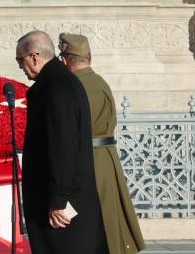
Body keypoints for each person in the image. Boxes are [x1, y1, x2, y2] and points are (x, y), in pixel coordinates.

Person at [16, 30, 106, 253]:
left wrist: (58, 200)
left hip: (63, 204)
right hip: (67, 196)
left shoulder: (55, 88)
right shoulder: (62, 82)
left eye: (20, 60)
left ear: (35, 56)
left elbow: (62, 146)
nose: (19, 67)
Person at [59, 33, 145, 254]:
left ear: (65, 59)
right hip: (106, 158)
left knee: (87, 228)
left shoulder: (73, 87)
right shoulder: (99, 82)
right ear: (89, 59)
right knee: (109, 221)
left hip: (86, 161)